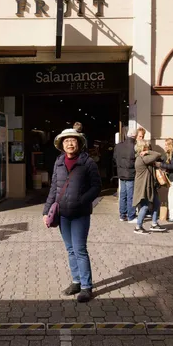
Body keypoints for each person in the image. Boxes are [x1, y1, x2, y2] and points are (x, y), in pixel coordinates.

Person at [43, 129, 102, 303]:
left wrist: (82, 200)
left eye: (73, 140)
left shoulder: (88, 162)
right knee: (70, 249)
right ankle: (76, 281)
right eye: (66, 140)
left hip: (80, 214)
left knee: (80, 249)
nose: (70, 143)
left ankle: (86, 287)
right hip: (62, 214)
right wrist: (46, 211)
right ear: (62, 145)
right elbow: (54, 187)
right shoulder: (59, 162)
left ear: (79, 143)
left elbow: (96, 187)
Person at [133, 140, 166, 233]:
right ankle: (138, 227)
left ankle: (154, 224)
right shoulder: (142, 158)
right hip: (144, 186)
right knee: (145, 206)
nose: (149, 148)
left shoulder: (145, 158)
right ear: (143, 148)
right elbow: (158, 154)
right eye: (147, 147)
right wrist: (147, 152)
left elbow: (156, 161)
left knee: (156, 203)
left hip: (150, 185)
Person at [113, 129, 137, 222]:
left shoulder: (118, 146)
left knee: (122, 194)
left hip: (121, 173)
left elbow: (114, 158)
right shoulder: (134, 146)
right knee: (130, 195)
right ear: (134, 136)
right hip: (131, 174)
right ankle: (131, 215)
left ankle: (122, 215)